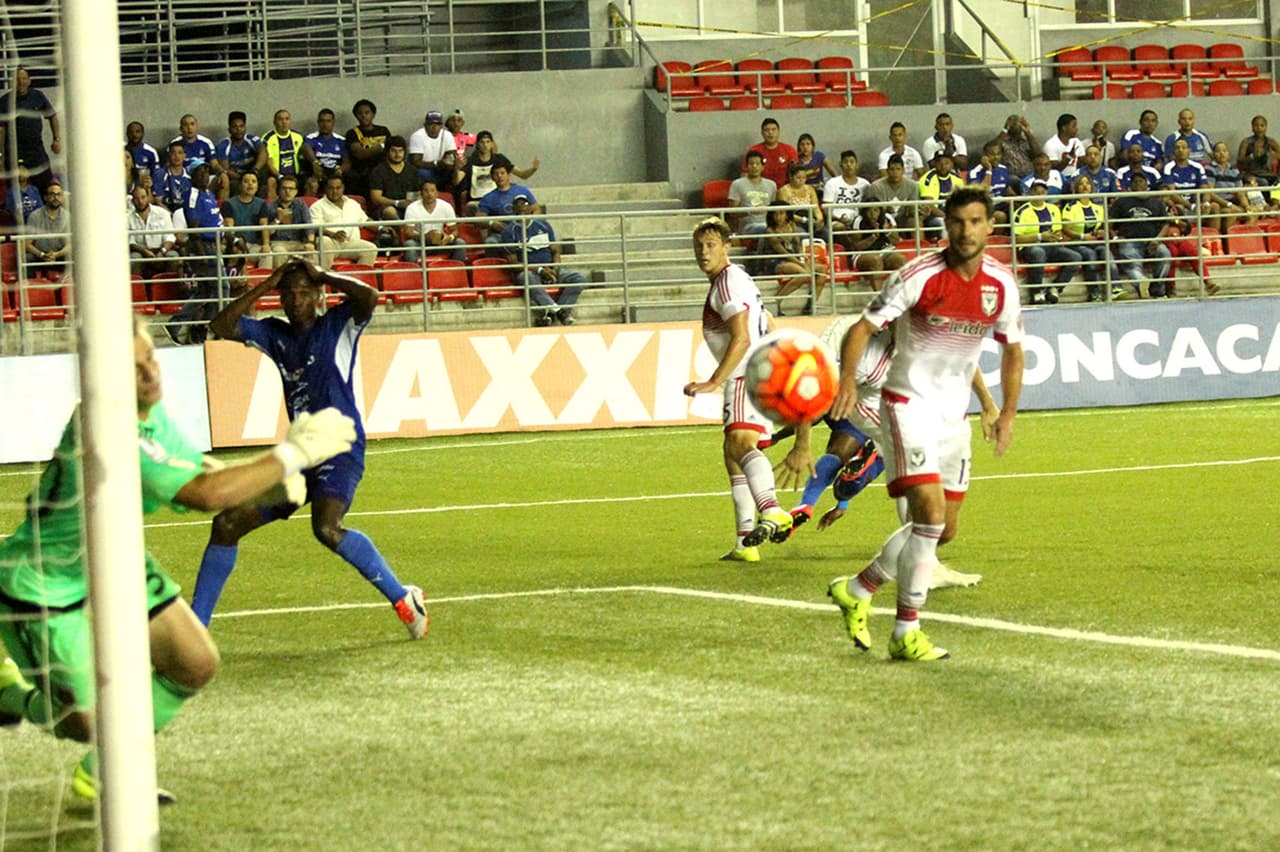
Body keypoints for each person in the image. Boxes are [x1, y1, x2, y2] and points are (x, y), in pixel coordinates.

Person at [0, 314, 357, 803]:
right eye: (134, 367)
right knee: (88, 723)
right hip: (43, 585)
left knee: (193, 662)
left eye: (151, 358)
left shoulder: (147, 412)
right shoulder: (107, 425)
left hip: (116, 564)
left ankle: (103, 775)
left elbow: (195, 467)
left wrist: (266, 481)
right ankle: (9, 696)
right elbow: (202, 493)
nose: (151, 373)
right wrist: (289, 457)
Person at [826, 186, 1024, 662]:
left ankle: (859, 587)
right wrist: (848, 379)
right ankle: (905, 631)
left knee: (944, 529)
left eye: (976, 222)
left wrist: (1006, 411)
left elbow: (1012, 348)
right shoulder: (918, 277)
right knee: (929, 517)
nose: (966, 231)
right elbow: (863, 327)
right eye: (957, 222)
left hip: (953, 418)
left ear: (990, 226)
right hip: (906, 405)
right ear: (946, 226)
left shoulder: (1001, 284)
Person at [193, 259, 429, 638]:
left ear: (318, 296)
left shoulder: (337, 325)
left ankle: (403, 599)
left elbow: (369, 295)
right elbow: (220, 326)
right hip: (301, 453)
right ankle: (196, 627)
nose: (296, 299)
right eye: (289, 293)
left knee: (327, 528)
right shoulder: (274, 334)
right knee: (227, 523)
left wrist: (325, 275)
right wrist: (267, 283)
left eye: (305, 292)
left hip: (339, 445)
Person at [777, 314, 993, 591]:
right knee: (920, 469)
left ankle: (920, 561)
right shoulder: (862, 352)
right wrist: (801, 443)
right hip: (865, 406)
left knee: (923, 469)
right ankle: (917, 566)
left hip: (895, 399)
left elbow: (963, 358)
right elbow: (811, 388)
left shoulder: (927, 336)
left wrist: (988, 404)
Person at [683, 216, 791, 561]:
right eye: (699, 246)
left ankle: (771, 509)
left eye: (711, 245)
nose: (704, 251)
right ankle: (746, 542)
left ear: (726, 247)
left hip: (746, 373)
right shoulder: (738, 278)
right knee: (732, 453)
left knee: (739, 444)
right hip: (759, 370)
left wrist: (714, 381)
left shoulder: (727, 283)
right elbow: (768, 320)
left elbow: (743, 336)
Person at [498, 194, 587, 326]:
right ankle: (560, 311)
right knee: (525, 277)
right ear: (513, 209)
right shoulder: (508, 232)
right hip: (531, 272)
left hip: (550, 268)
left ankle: (553, 313)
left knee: (578, 278)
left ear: (531, 208)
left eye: (525, 204)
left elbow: (555, 251)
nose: (522, 207)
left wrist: (554, 268)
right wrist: (539, 270)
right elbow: (514, 264)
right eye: (518, 204)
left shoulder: (543, 225)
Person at [169, 159, 225, 343]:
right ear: (192, 175)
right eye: (200, 172)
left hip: (216, 244)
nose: (204, 176)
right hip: (205, 246)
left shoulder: (208, 193)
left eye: (206, 172)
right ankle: (209, 326)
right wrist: (201, 255)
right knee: (222, 288)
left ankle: (189, 325)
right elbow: (194, 228)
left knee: (206, 291)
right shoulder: (192, 195)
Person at [1013, 180, 1081, 305]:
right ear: (1031, 192)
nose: (1040, 193)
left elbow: (1058, 231)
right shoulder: (1021, 212)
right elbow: (1017, 239)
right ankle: (1036, 292)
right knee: (1038, 253)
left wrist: (1057, 236)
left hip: (1051, 246)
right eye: (1036, 190)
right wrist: (1040, 236)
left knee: (1075, 257)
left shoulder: (1054, 209)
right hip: (1030, 246)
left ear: (1047, 192)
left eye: (1043, 190)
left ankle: (1055, 288)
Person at [1109, 172, 1174, 298]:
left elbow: (1165, 224)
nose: (1138, 184)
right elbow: (1109, 224)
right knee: (1132, 264)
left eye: (1141, 181)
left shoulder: (1156, 202)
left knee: (1165, 255)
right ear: (1130, 185)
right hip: (1129, 241)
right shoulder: (1121, 202)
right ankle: (1142, 283)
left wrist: (1157, 240)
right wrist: (1116, 238)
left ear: (1147, 184)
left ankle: (1155, 290)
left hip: (1152, 241)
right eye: (1135, 182)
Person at [0, 67, 61, 193]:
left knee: (46, 188)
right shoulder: (5, 101)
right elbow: (0, 130)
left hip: (36, 153)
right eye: (17, 79)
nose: (20, 82)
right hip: (13, 154)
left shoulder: (38, 96)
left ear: (29, 81)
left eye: (23, 79)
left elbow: (52, 116)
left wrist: (56, 139)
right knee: (14, 191)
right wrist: (0, 156)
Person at [765, 204, 827, 315]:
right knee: (804, 273)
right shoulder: (770, 231)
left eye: (781, 213)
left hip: (793, 257)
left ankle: (810, 306)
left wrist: (802, 258)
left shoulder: (792, 225)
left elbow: (797, 245)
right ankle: (775, 303)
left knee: (822, 269)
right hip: (776, 259)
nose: (778, 217)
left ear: (787, 214)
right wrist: (801, 263)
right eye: (775, 214)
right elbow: (782, 252)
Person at [310, 174, 377, 266]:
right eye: (331, 188)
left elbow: (365, 221)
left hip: (350, 243)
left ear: (343, 188)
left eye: (338, 188)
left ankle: (357, 278)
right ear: (325, 189)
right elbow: (315, 227)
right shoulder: (317, 206)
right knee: (324, 241)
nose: (335, 191)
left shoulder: (353, 204)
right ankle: (325, 278)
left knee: (371, 249)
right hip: (330, 242)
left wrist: (381, 228)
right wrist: (333, 234)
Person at [1060, 175, 1109, 301]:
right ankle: (1094, 292)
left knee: (1106, 252)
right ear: (1076, 188)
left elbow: (1104, 228)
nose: (1085, 186)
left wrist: (1102, 232)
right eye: (1081, 184)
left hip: (1093, 242)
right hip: (1075, 242)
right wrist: (1083, 237)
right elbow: (1066, 229)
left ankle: (1115, 287)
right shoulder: (1070, 207)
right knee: (1090, 254)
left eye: (1087, 183)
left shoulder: (1098, 208)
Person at [402, 179, 467, 263]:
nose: (429, 194)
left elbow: (455, 230)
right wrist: (425, 237)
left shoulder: (446, 206)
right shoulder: (412, 207)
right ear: (421, 193)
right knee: (409, 245)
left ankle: (455, 272)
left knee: (460, 243)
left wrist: (449, 238)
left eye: (432, 191)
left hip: (440, 243)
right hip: (420, 242)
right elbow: (408, 232)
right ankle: (414, 274)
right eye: (426, 191)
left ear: (437, 193)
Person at [257, 109, 315, 202]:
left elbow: (306, 153)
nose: (284, 122)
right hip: (277, 176)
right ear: (274, 122)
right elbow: (269, 162)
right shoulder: (267, 138)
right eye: (280, 119)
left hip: (296, 175)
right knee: (271, 182)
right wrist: (280, 176)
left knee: (312, 184)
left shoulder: (298, 136)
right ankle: (273, 211)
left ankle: (304, 209)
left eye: (287, 119)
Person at [261, 174, 317, 267]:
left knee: (312, 252)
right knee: (279, 252)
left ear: (296, 191)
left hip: (298, 241)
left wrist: (310, 242)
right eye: (284, 188)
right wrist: (278, 219)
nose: (287, 191)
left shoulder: (301, 205)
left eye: (291, 189)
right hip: (278, 243)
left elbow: (308, 225)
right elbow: (267, 232)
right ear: (279, 190)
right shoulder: (270, 207)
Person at [127, 184, 180, 277]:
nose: (140, 201)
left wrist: (162, 252)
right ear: (132, 200)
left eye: (143, 197)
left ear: (148, 197)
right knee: (134, 258)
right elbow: (129, 241)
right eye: (136, 198)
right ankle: (139, 290)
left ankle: (171, 290)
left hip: (161, 250)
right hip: (141, 252)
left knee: (173, 256)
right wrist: (145, 252)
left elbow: (170, 237)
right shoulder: (127, 218)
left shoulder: (162, 213)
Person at [823, 149, 871, 249]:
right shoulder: (832, 183)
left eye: (852, 162)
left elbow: (869, 207)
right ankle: (851, 252)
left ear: (857, 165)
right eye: (846, 162)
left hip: (858, 220)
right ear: (841, 165)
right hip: (837, 220)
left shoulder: (865, 184)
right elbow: (826, 209)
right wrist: (839, 218)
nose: (849, 165)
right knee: (840, 227)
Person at [343, 98, 391, 200]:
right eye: (360, 113)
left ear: (373, 114)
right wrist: (381, 146)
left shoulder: (383, 130)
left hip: (382, 168)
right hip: (361, 170)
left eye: (367, 112)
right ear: (356, 116)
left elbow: (391, 151)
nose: (363, 116)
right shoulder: (352, 133)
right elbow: (360, 154)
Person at [23, 180, 71, 278]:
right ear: (45, 197)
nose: (56, 198)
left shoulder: (68, 217)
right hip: (40, 256)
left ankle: (65, 290)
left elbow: (70, 244)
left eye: (59, 195)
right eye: (52, 194)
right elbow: (27, 244)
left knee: (77, 257)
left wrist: (56, 255)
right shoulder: (34, 216)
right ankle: (32, 289)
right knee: (25, 259)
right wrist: (42, 255)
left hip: (59, 256)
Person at [368, 135, 420, 223]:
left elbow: (417, 193)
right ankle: (402, 230)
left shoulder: (412, 170)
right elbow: (376, 198)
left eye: (400, 151)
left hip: (408, 207)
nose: (397, 154)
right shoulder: (378, 171)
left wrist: (412, 204)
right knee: (390, 211)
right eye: (393, 151)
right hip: (386, 208)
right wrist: (397, 203)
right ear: (387, 151)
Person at [221, 171, 269, 264]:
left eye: (254, 181)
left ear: (257, 186)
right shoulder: (229, 203)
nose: (250, 184)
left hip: (254, 245)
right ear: (240, 185)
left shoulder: (262, 203)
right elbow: (229, 227)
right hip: (236, 244)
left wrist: (266, 244)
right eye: (246, 181)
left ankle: (264, 279)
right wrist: (236, 243)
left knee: (267, 254)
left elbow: (264, 225)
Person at [726, 150, 776, 237]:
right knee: (766, 229)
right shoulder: (737, 184)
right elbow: (732, 212)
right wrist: (751, 211)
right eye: (751, 164)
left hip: (769, 224)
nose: (754, 166)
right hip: (748, 227)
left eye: (757, 164)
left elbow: (774, 209)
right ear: (746, 166)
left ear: (762, 167)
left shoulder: (771, 185)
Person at [867, 153, 921, 234]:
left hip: (903, 219)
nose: (895, 172)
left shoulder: (913, 186)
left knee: (916, 220)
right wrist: (885, 209)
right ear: (887, 171)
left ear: (903, 170)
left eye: (898, 169)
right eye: (892, 169)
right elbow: (874, 211)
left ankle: (919, 246)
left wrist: (911, 210)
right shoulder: (876, 186)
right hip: (883, 220)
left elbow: (914, 208)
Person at [213, 110, 261, 196]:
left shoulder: (252, 140)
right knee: (232, 183)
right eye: (234, 127)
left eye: (241, 126)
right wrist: (244, 178)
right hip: (236, 178)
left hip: (253, 173)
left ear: (245, 128)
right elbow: (226, 170)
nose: (238, 129)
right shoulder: (223, 145)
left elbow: (263, 152)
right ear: (229, 129)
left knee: (269, 180)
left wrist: (256, 169)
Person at [776, 160, 825, 241]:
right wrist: (804, 220)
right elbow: (785, 213)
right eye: (798, 177)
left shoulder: (810, 189)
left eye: (804, 177)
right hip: (792, 222)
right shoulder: (783, 191)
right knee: (804, 236)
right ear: (791, 177)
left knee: (825, 234)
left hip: (811, 220)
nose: (801, 180)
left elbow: (816, 209)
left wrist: (819, 220)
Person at [743, 117, 798, 189]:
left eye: (773, 130)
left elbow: (796, 174)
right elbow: (744, 174)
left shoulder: (789, 150)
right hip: (759, 190)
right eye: (767, 130)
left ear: (778, 132)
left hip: (784, 190)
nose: (770, 133)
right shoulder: (754, 150)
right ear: (762, 133)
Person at [408, 111, 457, 186]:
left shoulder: (447, 135)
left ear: (441, 126)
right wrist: (437, 163)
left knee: (458, 171)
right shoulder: (417, 136)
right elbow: (415, 162)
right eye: (430, 124)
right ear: (425, 125)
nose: (434, 127)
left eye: (438, 124)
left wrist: (451, 163)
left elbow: (451, 157)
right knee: (421, 173)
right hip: (425, 169)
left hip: (442, 169)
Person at [917, 152, 961, 236]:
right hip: (933, 217)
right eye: (939, 163)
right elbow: (929, 206)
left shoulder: (957, 178)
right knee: (944, 224)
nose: (943, 166)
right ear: (934, 164)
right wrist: (947, 218)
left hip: (953, 215)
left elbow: (962, 202)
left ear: (951, 164)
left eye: (946, 163)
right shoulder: (927, 179)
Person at [306, 108, 350, 183]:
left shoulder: (341, 140)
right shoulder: (311, 138)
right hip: (318, 171)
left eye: (328, 121)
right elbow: (306, 149)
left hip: (335, 171)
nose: (325, 124)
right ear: (318, 122)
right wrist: (315, 163)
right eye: (322, 121)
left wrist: (340, 170)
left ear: (333, 122)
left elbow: (347, 163)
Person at [1236, 115, 1280, 185]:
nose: (1259, 128)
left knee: (1277, 182)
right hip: (1250, 173)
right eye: (1256, 125)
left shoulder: (1271, 141)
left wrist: (1272, 154)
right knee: (1264, 182)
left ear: (1266, 128)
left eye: (1262, 125)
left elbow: (1278, 155)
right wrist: (1253, 155)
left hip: (1267, 173)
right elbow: (1240, 160)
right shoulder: (1246, 142)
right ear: (1252, 128)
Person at [152, 141, 192, 212]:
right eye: (173, 153)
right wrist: (170, 215)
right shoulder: (159, 174)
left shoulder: (190, 175)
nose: (176, 156)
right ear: (169, 155)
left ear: (184, 156)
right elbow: (158, 201)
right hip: (166, 212)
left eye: (180, 153)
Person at [995, 114, 1037, 179]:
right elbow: (993, 148)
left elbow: (1037, 154)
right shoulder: (1002, 142)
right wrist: (1005, 129)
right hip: (1010, 178)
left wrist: (1028, 132)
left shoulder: (1026, 141)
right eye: (1013, 125)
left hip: (1029, 177)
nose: (1016, 127)